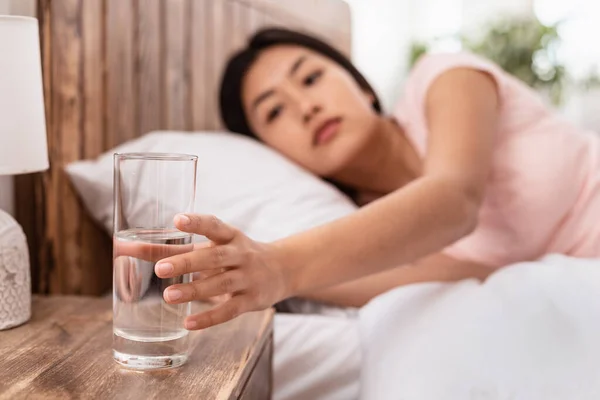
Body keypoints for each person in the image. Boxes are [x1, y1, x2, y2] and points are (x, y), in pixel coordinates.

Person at [147, 27, 599, 330]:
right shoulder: (367, 235)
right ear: (275, 154)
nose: (307, 107)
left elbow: (455, 200)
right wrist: (230, 278)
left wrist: (280, 265)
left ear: (361, 84)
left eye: (310, 78)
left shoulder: (444, 78)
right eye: (275, 111)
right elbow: (491, 276)